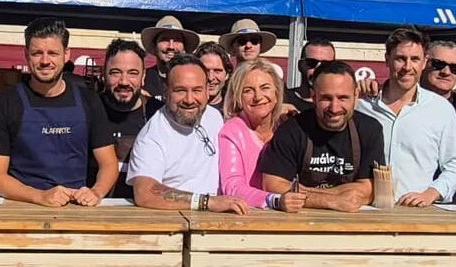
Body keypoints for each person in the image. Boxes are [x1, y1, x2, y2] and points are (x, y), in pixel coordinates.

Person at [0, 18, 117, 207]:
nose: (45, 61)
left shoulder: (89, 100)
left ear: (66, 55)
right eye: (37, 53)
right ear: (26, 55)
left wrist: (96, 192)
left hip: (77, 207)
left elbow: (109, 164)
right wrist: (39, 196)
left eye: (53, 53)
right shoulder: (5, 102)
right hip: (23, 206)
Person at [355, 28, 456, 206]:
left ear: (424, 63)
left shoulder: (441, 109)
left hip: (415, 212)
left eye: (415, 59)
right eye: (400, 58)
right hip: (365, 209)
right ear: (387, 60)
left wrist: (432, 193)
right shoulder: (362, 104)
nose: (407, 67)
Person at [128, 54, 248, 214]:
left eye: (197, 90)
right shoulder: (152, 136)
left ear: (207, 91)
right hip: (176, 221)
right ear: (166, 91)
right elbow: (145, 193)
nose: (190, 99)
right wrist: (207, 202)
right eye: (180, 90)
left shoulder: (214, 117)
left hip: (223, 216)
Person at [260, 61, 385, 211]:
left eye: (343, 98)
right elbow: (272, 184)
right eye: (326, 98)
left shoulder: (370, 129)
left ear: (356, 95)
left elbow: (371, 188)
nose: (334, 107)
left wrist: (300, 192)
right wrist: (332, 200)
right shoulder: (291, 129)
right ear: (313, 96)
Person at [217, 59, 305, 211]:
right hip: (248, 215)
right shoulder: (232, 131)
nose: (258, 96)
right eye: (248, 90)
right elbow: (233, 185)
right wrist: (274, 200)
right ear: (238, 98)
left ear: (277, 94)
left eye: (265, 88)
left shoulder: (288, 128)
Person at [94, 38, 161, 198]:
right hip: (94, 207)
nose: (124, 81)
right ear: (104, 74)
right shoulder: (89, 109)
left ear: (143, 77)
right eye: (116, 73)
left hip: (143, 210)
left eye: (133, 73)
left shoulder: (158, 114)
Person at [140, 16, 199, 103]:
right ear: (154, 46)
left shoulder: (195, 79)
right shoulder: (142, 79)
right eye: (165, 40)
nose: (171, 46)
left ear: (184, 47)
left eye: (177, 40)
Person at [285, 39, 335, 112]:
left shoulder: (339, 106)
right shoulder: (281, 99)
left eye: (326, 65)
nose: (318, 69)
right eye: (312, 63)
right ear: (300, 65)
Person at [195, 42, 233, 115]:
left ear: (227, 74)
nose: (210, 77)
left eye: (217, 71)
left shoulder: (234, 110)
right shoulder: (187, 108)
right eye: (205, 71)